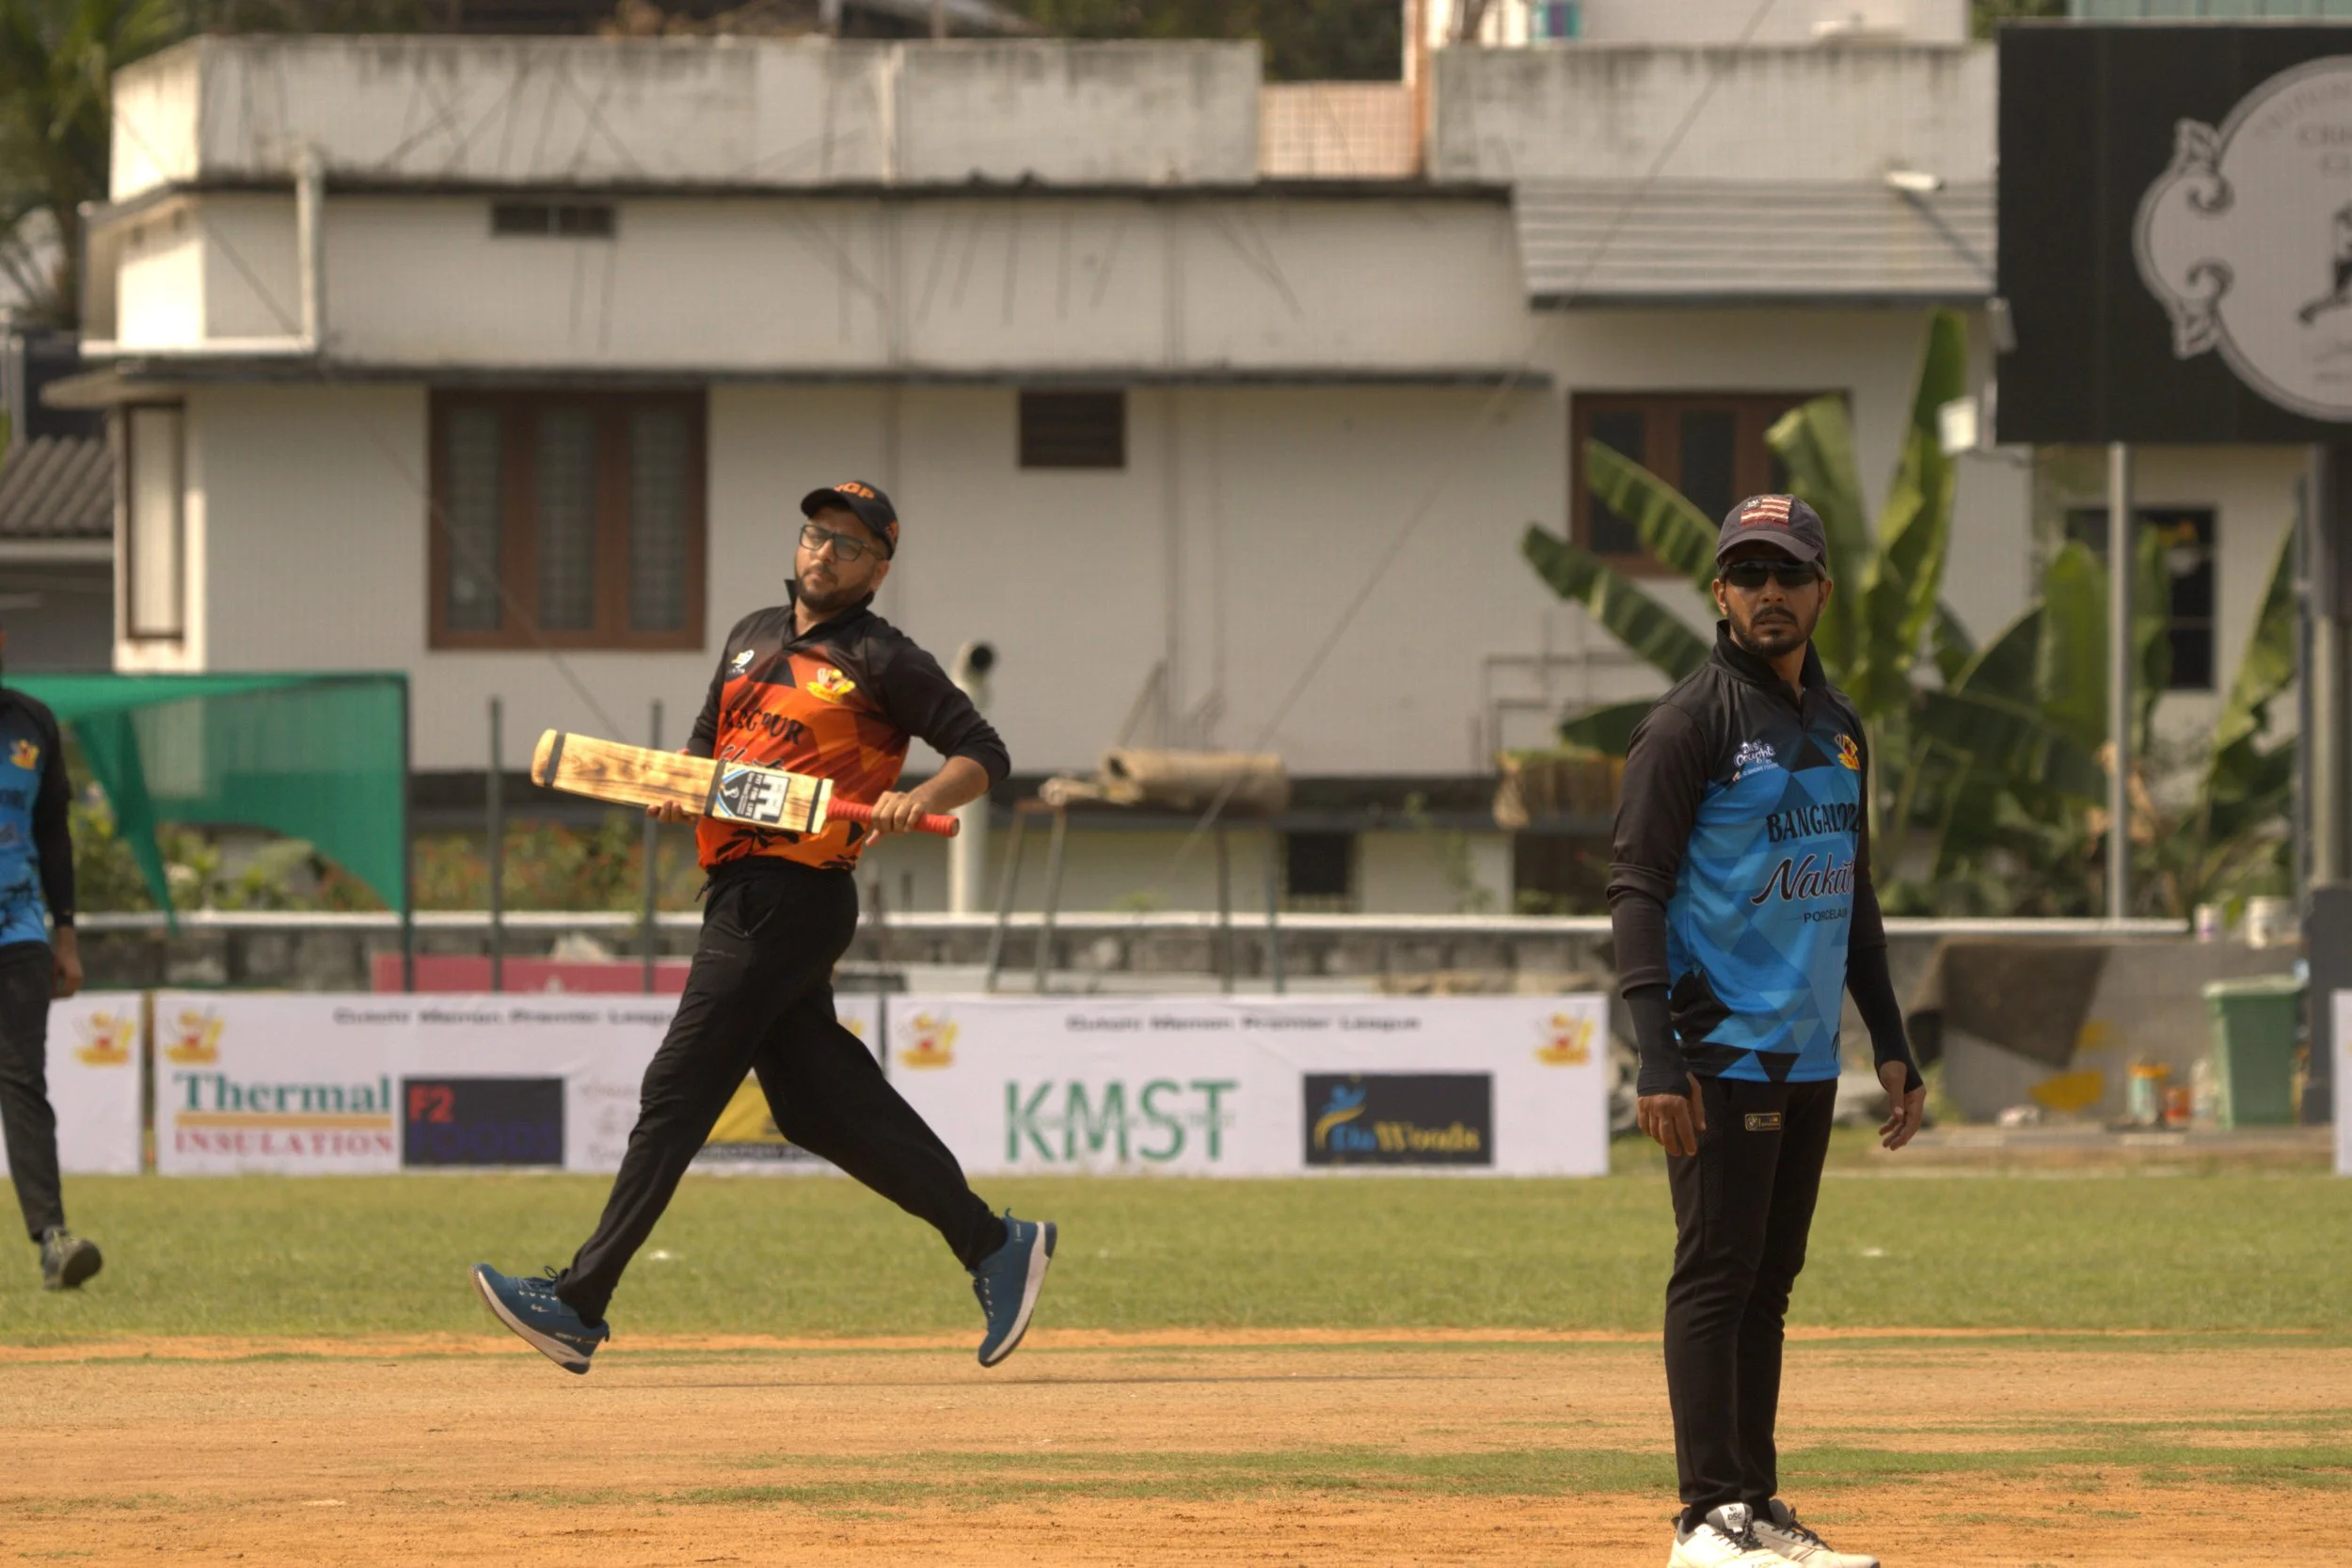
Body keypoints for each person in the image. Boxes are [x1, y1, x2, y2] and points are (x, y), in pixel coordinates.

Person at [472, 482, 1052, 1372]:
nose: (825, 551)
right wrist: (681, 788)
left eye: (850, 544)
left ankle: (579, 1301)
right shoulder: (750, 636)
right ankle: (993, 1243)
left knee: (678, 1086)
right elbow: (708, 750)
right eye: (817, 533)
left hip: (793, 892)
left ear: (879, 568)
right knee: (816, 1105)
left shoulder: (883, 657)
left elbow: (984, 752)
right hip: (736, 883)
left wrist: (918, 798)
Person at [1607, 496, 1926, 1568]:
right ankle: (1706, 1516)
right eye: (1746, 575)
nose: (1768, 593)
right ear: (1718, 595)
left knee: (1766, 1282)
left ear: (1821, 590)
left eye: (1786, 574)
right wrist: (1655, 1051)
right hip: (1715, 1047)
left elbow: (1854, 893)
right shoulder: (1687, 725)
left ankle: (1754, 1501)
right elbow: (1636, 889)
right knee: (1715, 1270)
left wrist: (1888, 1035)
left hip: (1802, 1050)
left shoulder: (1838, 728)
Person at [0, 636, 103, 1291]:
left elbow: (52, 834)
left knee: (22, 1082)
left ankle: (52, 1241)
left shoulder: (32, 721)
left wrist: (66, 935)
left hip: (19, 934)